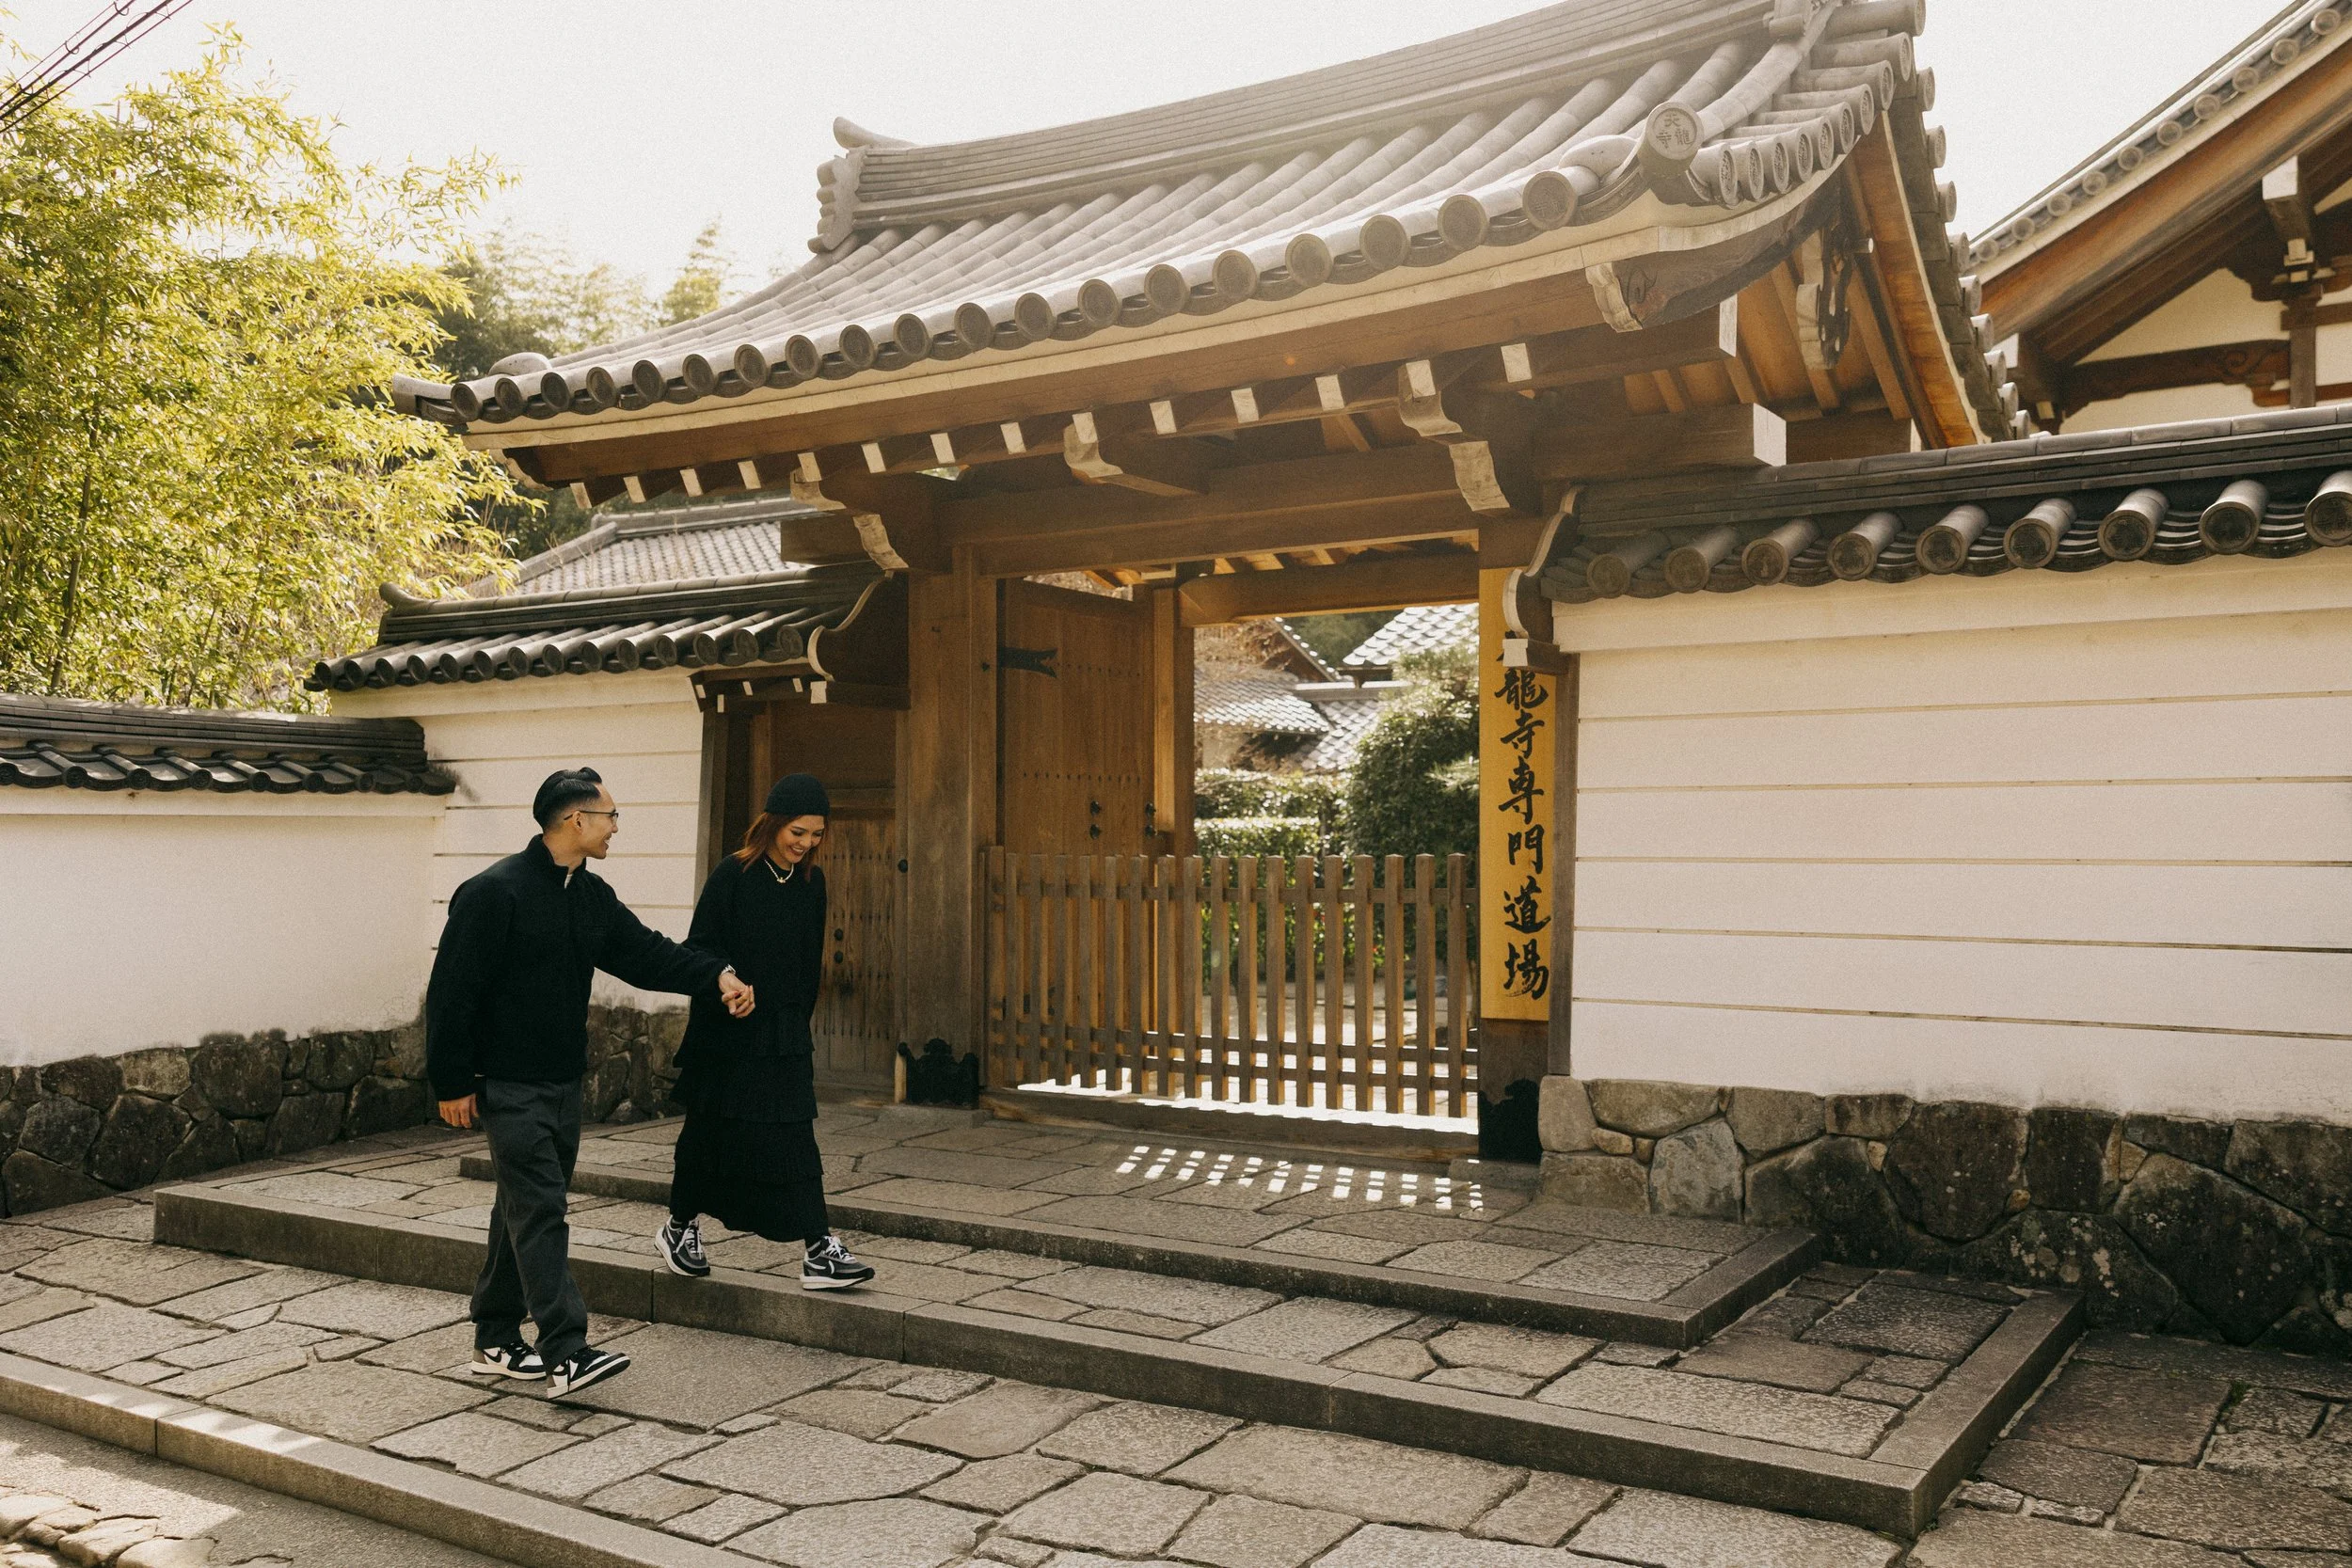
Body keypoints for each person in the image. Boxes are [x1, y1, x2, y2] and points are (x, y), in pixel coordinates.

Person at [426, 766, 754, 1397]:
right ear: (575, 819)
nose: (615, 828)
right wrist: (451, 1080)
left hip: (561, 1083)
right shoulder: (494, 892)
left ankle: (494, 1337)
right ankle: (566, 1349)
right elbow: (452, 995)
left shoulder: (589, 895)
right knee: (542, 1207)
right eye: (609, 817)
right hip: (509, 1085)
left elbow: (649, 952)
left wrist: (716, 975)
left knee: (521, 1207)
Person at [656, 772, 876, 1291]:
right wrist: (730, 981)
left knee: (795, 1135)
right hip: (726, 1030)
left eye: (816, 835)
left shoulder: (811, 883)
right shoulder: (731, 874)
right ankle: (679, 1227)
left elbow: (807, 966)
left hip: (782, 1034)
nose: (805, 844)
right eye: (797, 832)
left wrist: (796, 1029)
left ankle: (819, 1249)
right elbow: (699, 948)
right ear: (773, 823)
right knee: (709, 1133)